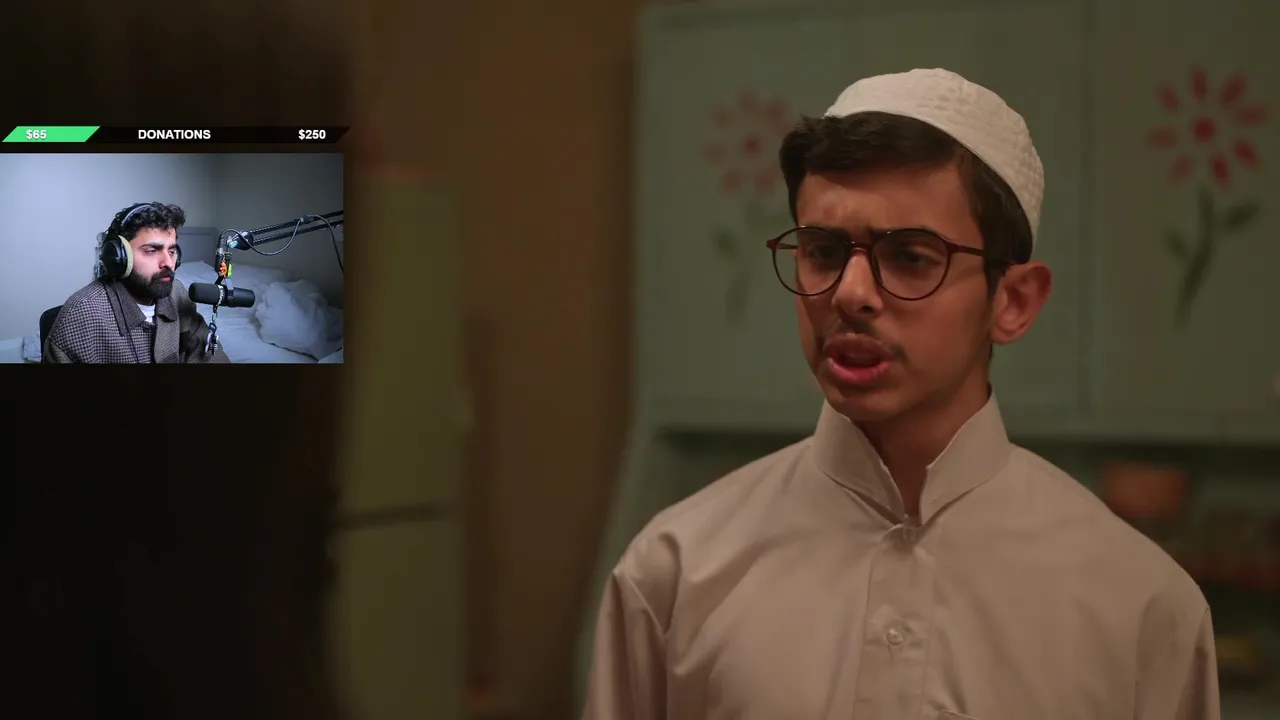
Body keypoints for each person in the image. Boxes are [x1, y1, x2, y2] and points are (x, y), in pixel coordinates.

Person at [582, 69, 1218, 719]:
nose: (851, 293)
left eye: (912, 257)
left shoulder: (1141, 608)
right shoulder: (676, 574)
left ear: (1013, 301)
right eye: (823, 252)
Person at [43, 202, 229, 363]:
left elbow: (207, 353)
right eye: (151, 251)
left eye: (172, 251)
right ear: (119, 257)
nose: (168, 263)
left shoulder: (177, 293)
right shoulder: (80, 316)